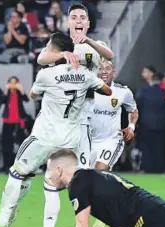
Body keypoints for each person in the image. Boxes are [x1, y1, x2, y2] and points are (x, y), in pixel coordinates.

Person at [0, 33, 112, 227]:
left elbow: (33, 95)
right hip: (71, 139)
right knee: (54, 187)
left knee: (17, 172)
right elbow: (107, 90)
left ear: (54, 51)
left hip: (44, 135)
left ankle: (3, 222)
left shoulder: (46, 74)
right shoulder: (85, 74)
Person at [37, 3, 113, 173]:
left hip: (85, 108)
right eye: (74, 17)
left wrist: (88, 41)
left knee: (83, 164)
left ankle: (83, 196)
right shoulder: (59, 42)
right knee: (56, 165)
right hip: (58, 110)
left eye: (82, 18)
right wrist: (61, 54)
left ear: (88, 24)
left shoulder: (95, 44)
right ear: (68, 23)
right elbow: (41, 59)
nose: (78, 21)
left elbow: (110, 55)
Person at [90, 59, 138, 227]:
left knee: (99, 173)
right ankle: (116, 199)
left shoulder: (122, 92)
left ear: (114, 72)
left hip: (112, 139)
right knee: (85, 179)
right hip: (89, 141)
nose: (104, 71)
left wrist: (131, 126)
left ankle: (101, 215)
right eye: (100, 68)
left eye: (107, 68)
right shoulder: (88, 90)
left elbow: (133, 110)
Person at [136, 72, 165, 173]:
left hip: (146, 123)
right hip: (161, 124)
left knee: (147, 149)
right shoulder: (164, 92)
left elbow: (138, 107)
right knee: (159, 148)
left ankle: (147, 167)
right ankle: (159, 168)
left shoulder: (143, 92)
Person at [1, 76, 28, 171]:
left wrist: (22, 90)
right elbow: (2, 101)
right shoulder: (6, 94)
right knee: (6, 144)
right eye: (11, 83)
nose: (13, 85)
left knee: (20, 145)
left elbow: (26, 99)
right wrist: (5, 90)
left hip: (18, 122)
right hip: (7, 122)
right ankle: (6, 165)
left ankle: (20, 166)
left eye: (15, 83)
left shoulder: (19, 94)